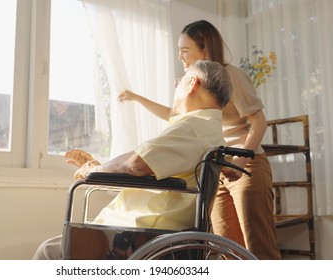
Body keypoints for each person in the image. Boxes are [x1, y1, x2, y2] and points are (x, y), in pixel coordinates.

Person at [32, 60, 232, 259]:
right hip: (161, 230)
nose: (176, 86)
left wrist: (92, 171)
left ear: (192, 84)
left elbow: (135, 165)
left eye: (180, 80)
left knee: (46, 252)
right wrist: (99, 166)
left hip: (144, 232)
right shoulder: (212, 132)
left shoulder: (192, 128)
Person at [118, 20, 281, 260]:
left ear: (204, 50)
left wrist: (242, 161)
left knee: (258, 247)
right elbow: (174, 115)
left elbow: (258, 121)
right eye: (179, 50)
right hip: (218, 169)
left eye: (185, 50)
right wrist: (137, 98)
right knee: (226, 248)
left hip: (246, 165)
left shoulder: (230, 76)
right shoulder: (198, 86)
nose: (180, 57)